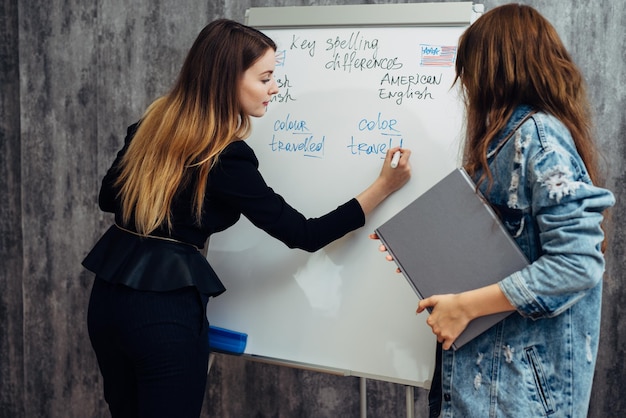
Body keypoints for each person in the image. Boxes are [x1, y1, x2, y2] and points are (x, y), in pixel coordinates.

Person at [82, 19, 411, 418]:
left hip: (108, 302)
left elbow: (107, 198)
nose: (275, 88)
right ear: (227, 79)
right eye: (266, 77)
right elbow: (302, 233)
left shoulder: (150, 126)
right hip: (163, 318)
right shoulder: (224, 156)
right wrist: (383, 186)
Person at [372, 4, 614, 417]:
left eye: (468, 71)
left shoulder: (539, 139)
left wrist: (464, 306)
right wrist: (432, 262)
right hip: (484, 384)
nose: (465, 85)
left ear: (492, 70)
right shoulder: (503, 143)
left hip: (519, 393)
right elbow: (506, 252)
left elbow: (577, 264)